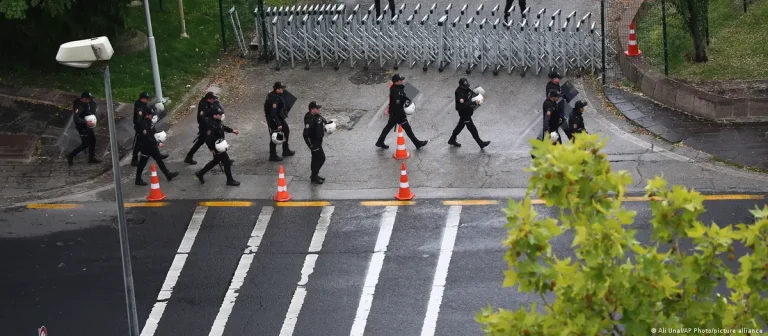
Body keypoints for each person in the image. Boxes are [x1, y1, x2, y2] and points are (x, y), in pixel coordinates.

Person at [375, 74, 428, 150]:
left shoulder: (398, 88)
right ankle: (418, 144)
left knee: (388, 128)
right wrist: (403, 114)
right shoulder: (396, 92)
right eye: (400, 80)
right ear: (396, 82)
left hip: (394, 114)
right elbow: (398, 104)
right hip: (398, 115)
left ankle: (379, 142)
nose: (402, 81)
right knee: (408, 130)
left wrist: (408, 98)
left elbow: (404, 97)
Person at [194, 107, 241, 186]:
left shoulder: (217, 121)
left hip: (219, 144)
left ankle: (200, 173)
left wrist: (232, 130)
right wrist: (211, 148)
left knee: (215, 161)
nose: (221, 115)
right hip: (217, 147)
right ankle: (229, 180)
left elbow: (223, 127)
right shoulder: (210, 125)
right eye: (220, 114)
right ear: (214, 115)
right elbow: (208, 138)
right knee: (226, 162)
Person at [135, 109, 179, 185]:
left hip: (152, 146)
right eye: (151, 115)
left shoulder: (149, 122)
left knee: (159, 160)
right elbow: (146, 138)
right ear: (147, 115)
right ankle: (138, 180)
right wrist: (157, 143)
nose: (152, 116)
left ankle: (168, 175)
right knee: (142, 164)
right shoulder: (143, 124)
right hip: (146, 147)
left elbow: (152, 133)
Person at [449, 78, 491, 149]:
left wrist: (479, 96)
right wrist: (474, 102)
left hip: (467, 112)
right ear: (461, 86)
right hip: (464, 112)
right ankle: (480, 143)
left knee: (460, 126)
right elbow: (463, 104)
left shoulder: (466, 89)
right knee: (472, 128)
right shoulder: (459, 93)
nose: (467, 88)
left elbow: (471, 94)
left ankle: (452, 139)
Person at [132, 92, 168, 166]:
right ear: (143, 99)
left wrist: (150, 115)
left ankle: (158, 155)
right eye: (147, 99)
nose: (148, 100)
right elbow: (139, 120)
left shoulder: (143, 104)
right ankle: (134, 160)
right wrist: (146, 117)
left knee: (153, 139)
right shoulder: (139, 107)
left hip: (148, 125)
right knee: (139, 144)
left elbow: (149, 111)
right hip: (142, 128)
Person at [66, 92, 101, 165]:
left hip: (88, 124)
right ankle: (71, 155)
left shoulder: (88, 102)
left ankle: (91, 158)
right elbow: (76, 118)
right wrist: (86, 122)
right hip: (82, 126)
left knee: (93, 140)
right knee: (85, 143)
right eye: (89, 99)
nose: (90, 100)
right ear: (84, 99)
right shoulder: (79, 106)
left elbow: (91, 110)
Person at [264, 82, 295, 162]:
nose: (283, 89)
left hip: (276, 117)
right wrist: (278, 124)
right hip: (274, 119)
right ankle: (273, 155)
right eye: (282, 88)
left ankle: (285, 150)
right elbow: (273, 113)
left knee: (286, 131)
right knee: (274, 137)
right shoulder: (274, 99)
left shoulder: (272, 94)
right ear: (277, 89)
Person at [184, 92, 218, 165]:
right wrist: (208, 127)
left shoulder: (207, 103)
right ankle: (219, 158)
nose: (214, 100)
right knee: (212, 141)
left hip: (206, 127)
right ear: (209, 99)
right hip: (205, 128)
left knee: (201, 142)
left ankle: (189, 157)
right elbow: (202, 118)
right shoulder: (203, 105)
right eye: (213, 99)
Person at [303, 101, 332, 184]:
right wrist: (310, 145)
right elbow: (305, 134)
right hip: (314, 142)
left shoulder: (316, 116)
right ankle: (314, 175)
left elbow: (322, 121)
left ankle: (314, 175)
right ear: (312, 109)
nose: (319, 109)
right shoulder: (310, 119)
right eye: (317, 108)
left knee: (315, 159)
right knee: (321, 158)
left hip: (319, 141)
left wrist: (327, 124)